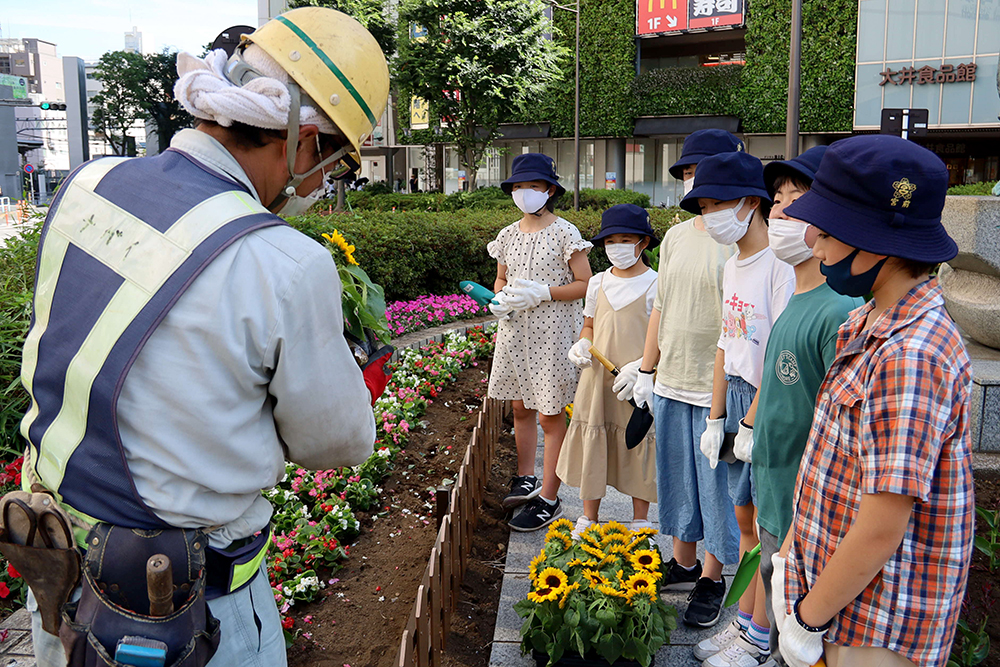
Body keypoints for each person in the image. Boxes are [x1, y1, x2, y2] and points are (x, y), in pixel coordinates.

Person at [15, 8, 389, 666]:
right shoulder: (283, 262)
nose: (322, 183)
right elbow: (339, 439)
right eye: (333, 163)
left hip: (57, 584)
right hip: (191, 615)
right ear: (302, 141)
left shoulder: (86, 183)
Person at [772, 136, 974, 667]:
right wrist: (791, 554)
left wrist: (807, 617)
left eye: (829, 229)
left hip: (879, 623)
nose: (812, 239)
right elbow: (828, 462)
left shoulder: (911, 353)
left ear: (878, 242)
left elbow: (883, 525)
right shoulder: (866, 320)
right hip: (837, 598)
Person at [613, 129, 743, 630]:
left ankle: (713, 575)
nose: (694, 182)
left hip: (718, 387)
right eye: (688, 173)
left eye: (703, 170)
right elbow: (660, 309)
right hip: (670, 381)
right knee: (676, 481)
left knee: (714, 487)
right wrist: (645, 372)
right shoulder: (675, 237)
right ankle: (684, 563)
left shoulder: (742, 245)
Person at [683, 151, 795, 666]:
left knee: (769, 525)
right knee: (744, 518)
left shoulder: (780, 263)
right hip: (735, 397)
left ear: (752, 202)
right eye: (702, 206)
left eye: (715, 204)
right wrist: (714, 416)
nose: (708, 216)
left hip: (766, 404)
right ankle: (749, 623)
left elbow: (778, 353)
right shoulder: (733, 264)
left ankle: (758, 637)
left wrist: (749, 423)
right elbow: (726, 344)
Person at [487, 153, 592, 532]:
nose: (524, 193)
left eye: (532, 186)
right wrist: (500, 298)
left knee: (550, 414)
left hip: (552, 337)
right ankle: (525, 477)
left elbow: (585, 284)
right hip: (516, 334)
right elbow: (501, 278)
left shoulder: (565, 233)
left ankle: (549, 495)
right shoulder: (508, 236)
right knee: (519, 408)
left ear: (549, 190)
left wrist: (544, 292)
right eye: (517, 187)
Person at [556, 204, 659, 537]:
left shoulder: (655, 284)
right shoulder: (598, 283)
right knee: (593, 438)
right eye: (611, 240)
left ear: (643, 242)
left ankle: (640, 519)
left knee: (638, 441)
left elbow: (661, 335)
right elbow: (589, 325)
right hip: (597, 379)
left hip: (635, 380)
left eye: (625, 239)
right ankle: (589, 515)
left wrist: (644, 367)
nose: (617, 247)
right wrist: (582, 343)